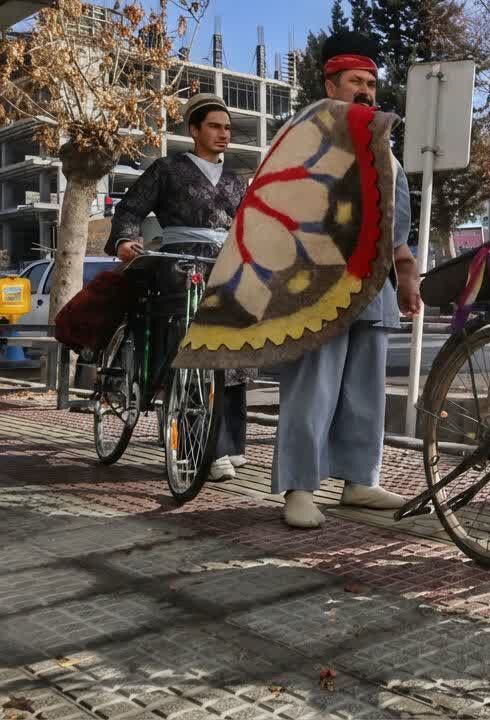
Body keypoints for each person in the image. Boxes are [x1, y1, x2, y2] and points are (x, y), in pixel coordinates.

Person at [271, 30, 422, 529]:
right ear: (329, 83)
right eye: (356, 80)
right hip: (317, 278)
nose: (366, 91)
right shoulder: (305, 132)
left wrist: (406, 275)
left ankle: (360, 479)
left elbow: (397, 220)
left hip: (373, 283)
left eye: (372, 83)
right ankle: (298, 486)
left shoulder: (384, 143)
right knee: (313, 384)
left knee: (364, 386)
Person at [105, 92, 251, 481]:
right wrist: (124, 240)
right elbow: (131, 208)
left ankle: (232, 443)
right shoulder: (166, 169)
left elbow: (249, 224)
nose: (224, 134)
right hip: (180, 264)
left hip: (226, 265)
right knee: (191, 354)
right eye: (215, 126)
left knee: (233, 353)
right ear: (194, 130)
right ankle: (199, 447)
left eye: (228, 128)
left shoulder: (237, 180)